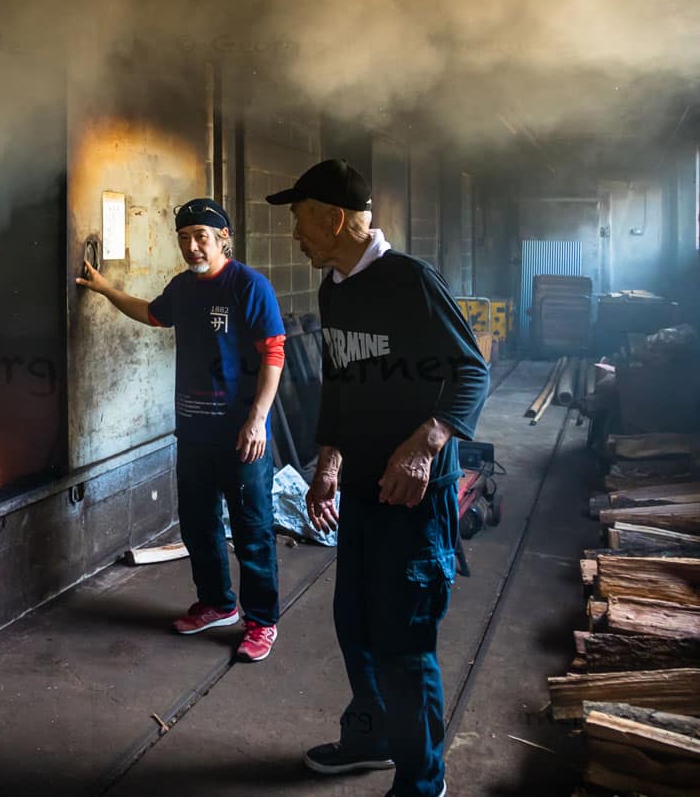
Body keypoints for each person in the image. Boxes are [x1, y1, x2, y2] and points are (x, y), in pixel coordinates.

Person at [266, 159, 489, 797]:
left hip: (416, 496)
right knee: (354, 622)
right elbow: (340, 382)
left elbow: (470, 372)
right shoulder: (334, 287)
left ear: (335, 219)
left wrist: (425, 445)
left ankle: (422, 781)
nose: (295, 237)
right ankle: (371, 736)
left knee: (403, 635)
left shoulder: (412, 282)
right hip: (361, 486)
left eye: (301, 221)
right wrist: (328, 461)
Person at [75, 199, 287, 662]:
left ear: (223, 237)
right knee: (198, 523)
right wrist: (106, 289)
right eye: (185, 237)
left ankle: (262, 621)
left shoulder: (249, 285)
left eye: (202, 237)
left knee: (252, 529)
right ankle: (216, 604)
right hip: (193, 432)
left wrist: (258, 418)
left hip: (240, 434)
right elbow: (151, 314)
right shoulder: (183, 288)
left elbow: (274, 352)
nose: (193, 246)